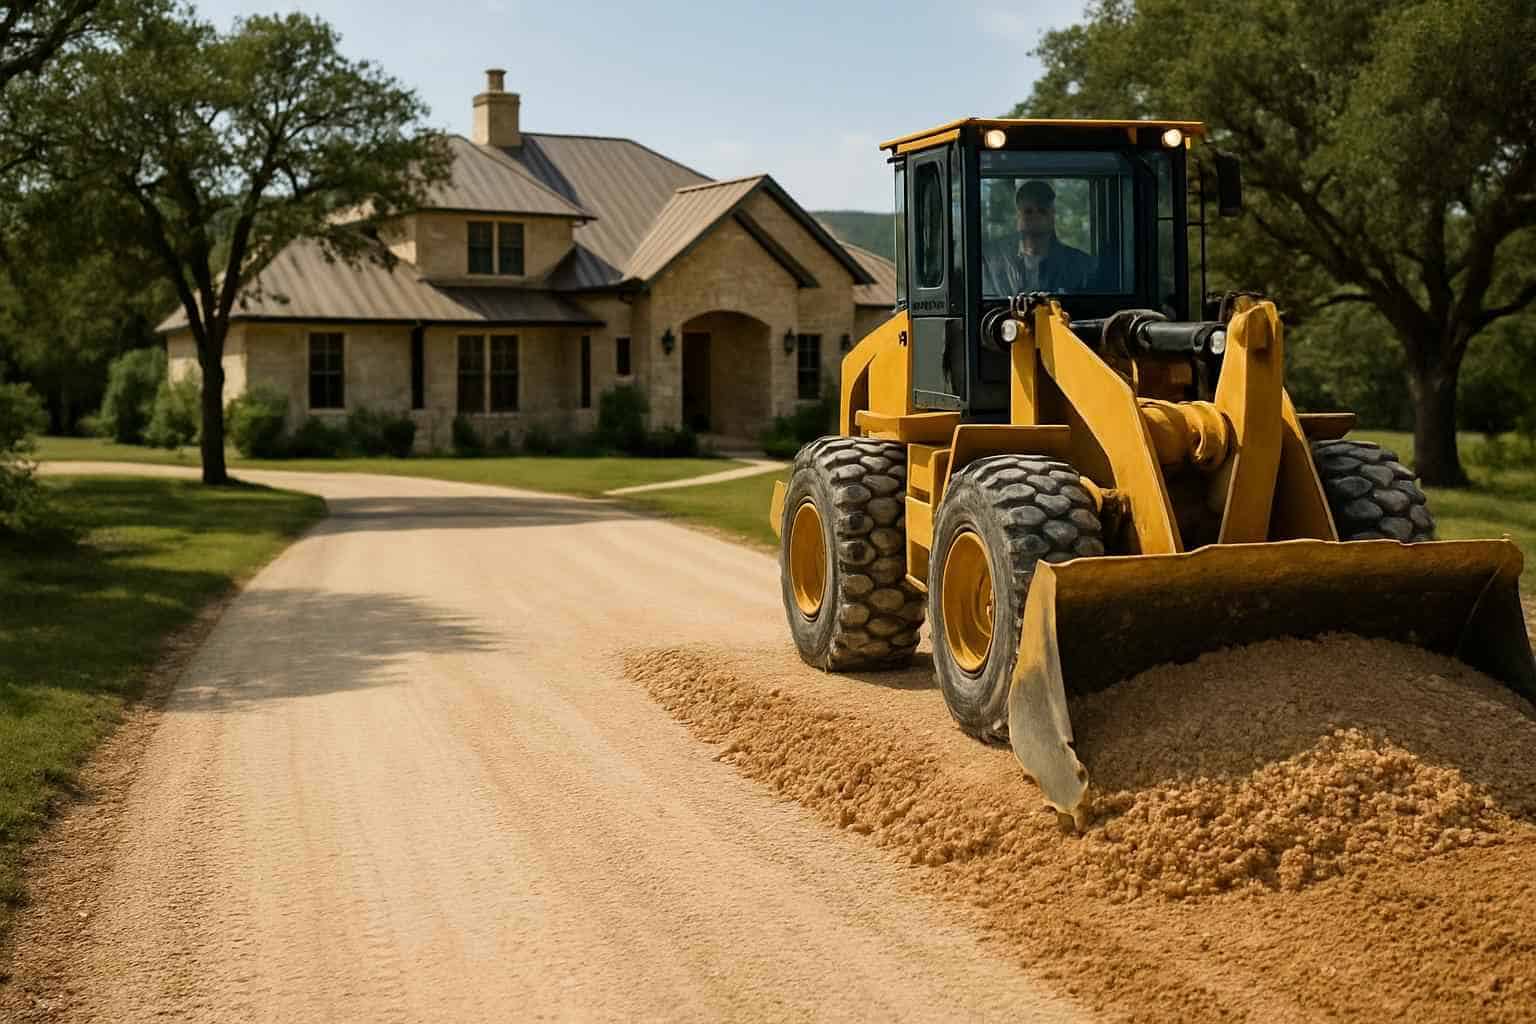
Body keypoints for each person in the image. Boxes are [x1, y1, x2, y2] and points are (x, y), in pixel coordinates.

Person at [983, 180, 1097, 296]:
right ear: (1018, 217)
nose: (1035, 215)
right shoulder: (992, 262)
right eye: (1028, 211)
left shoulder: (1080, 265)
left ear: (1053, 216)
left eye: (1042, 211)